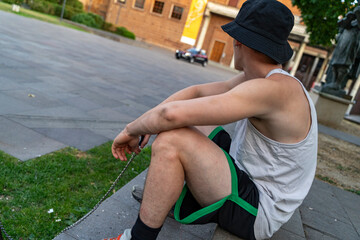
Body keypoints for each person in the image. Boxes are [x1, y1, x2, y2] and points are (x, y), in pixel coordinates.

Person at [107, 0, 318, 239]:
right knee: (184, 123)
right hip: (244, 176)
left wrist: (131, 129)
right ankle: (164, 195)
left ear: (238, 41)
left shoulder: (272, 90)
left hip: (258, 210)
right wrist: (147, 122)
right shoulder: (268, 80)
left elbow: (170, 115)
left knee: (172, 139)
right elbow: (196, 93)